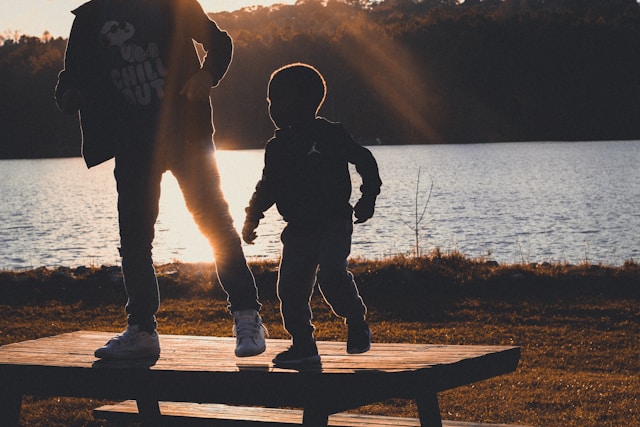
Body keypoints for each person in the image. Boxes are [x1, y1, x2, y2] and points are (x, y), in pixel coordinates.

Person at [54, 0, 266, 360]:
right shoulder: (90, 18)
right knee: (134, 240)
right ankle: (141, 329)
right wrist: (69, 95)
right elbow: (69, 79)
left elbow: (220, 43)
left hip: (187, 136)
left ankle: (248, 317)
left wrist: (207, 74)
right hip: (133, 145)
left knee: (215, 224)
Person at [242, 63, 382, 367]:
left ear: (305, 101)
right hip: (298, 230)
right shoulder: (276, 146)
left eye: (279, 100)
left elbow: (365, 160)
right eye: (270, 102)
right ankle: (303, 344)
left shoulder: (330, 134)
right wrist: (252, 216)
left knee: (332, 274)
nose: (272, 108)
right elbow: (268, 186)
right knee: (289, 288)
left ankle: (356, 319)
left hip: (333, 222)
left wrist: (368, 197)